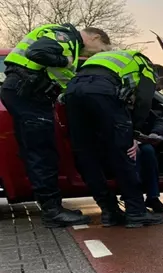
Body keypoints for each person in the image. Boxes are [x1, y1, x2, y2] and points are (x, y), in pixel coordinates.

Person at [0, 24, 110, 228]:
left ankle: (51, 208)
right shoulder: (66, 38)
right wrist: (64, 60)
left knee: (36, 152)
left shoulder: (70, 44)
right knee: (43, 154)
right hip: (28, 95)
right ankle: (53, 212)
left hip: (26, 93)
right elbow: (37, 51)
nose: (97, 54)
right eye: (101, 49)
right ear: (95, 38)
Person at [63, 50, 163, 228]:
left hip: (73, 91)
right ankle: (136, 212)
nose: (154, 92)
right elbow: (144, 100)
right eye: (157, 89)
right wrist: (133, 134)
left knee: (85, 155)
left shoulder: (107, 60)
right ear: (158, 79)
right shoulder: (146, 66)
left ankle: (109, 212)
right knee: (124, 152)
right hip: (102, 92)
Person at [135, 77, 163, 213]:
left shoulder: (144, 101)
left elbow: (159, 120)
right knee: (135, 154)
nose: (156, 92)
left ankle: (152, 197)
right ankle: (135, 199)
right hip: (119, 140)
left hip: (136, 139)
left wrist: (155, 134)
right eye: (158, 88)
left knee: (148, 151)